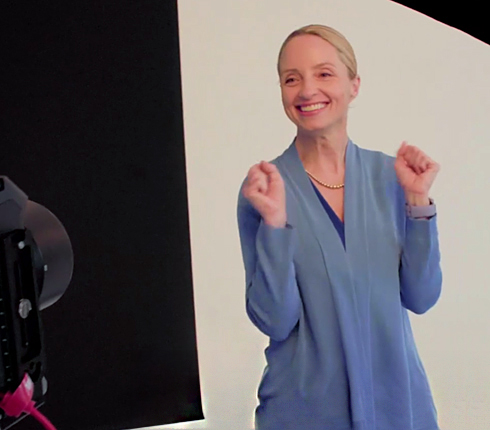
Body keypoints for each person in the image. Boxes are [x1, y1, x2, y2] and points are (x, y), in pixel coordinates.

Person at [236, 24, 442, 430]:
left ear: (354, 84)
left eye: (324, 73)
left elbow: (422, 296)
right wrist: (275, 225)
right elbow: (275, 320)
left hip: (400, 411)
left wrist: (418, 204)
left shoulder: (393, 177)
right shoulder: (264, 189)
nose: (307, 89)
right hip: (304, 414)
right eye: (291, 79)